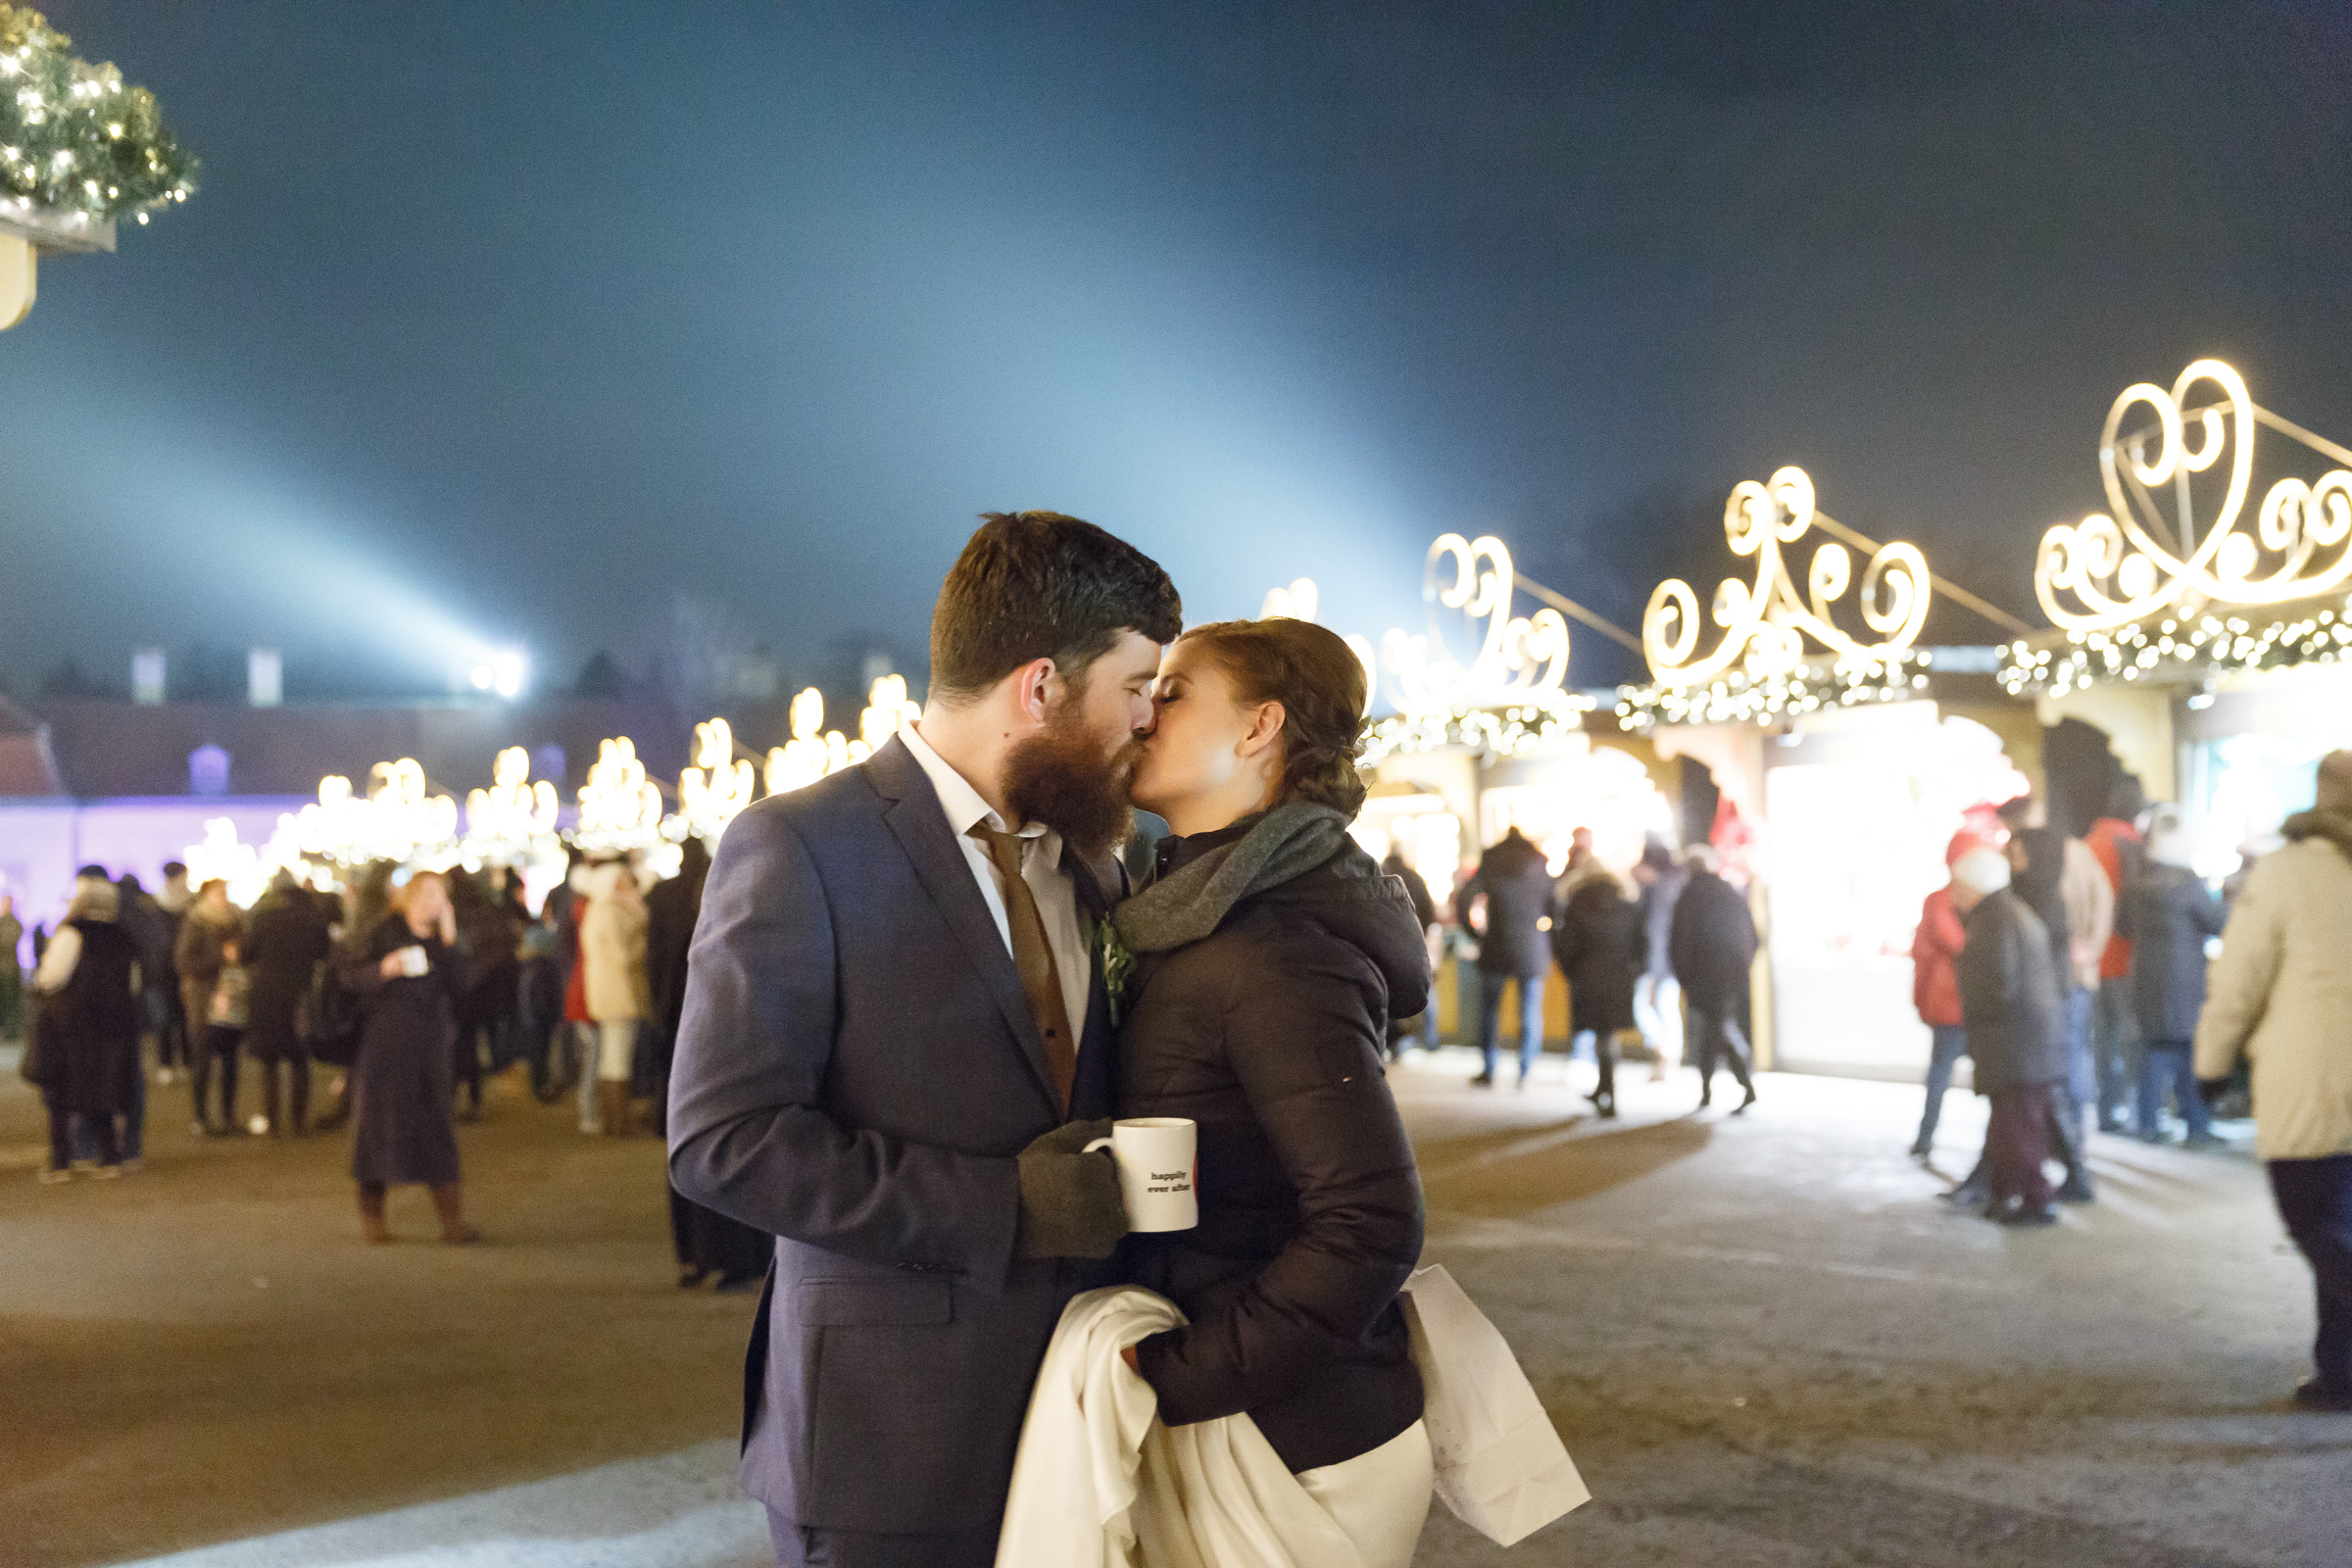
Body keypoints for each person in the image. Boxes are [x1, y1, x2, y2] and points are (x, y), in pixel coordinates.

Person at [667, 510, 1179, 1567]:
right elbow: (724, 1140)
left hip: (1084, 1423)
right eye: (1137, 690)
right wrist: (1005, 1206)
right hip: (886, 1445)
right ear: (1040, 688)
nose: (1150, 723)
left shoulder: (1091, 861)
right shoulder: (800, 845)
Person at [1111, 617, 1432, 1568]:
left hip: (1296, 1438)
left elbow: (1371, 1220)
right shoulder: (1191, 911)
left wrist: (1171, 1377)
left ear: (1260, 729)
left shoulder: (1273, 946)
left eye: (1173, 693)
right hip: (1259, 1411)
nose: (1144, 712)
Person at [2196, 750, 2352, 1411]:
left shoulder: (2287, 873)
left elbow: (2240, 978)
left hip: (2313, 1075)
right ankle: (2340, 1370)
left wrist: (2211, 1061)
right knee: (2340, 1228)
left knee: (2315, 1220)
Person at [651, 837, 768, 1290]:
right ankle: (702, 1256)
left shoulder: (753, 938)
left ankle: (736, 1261)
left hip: (731, 1072)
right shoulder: (701, 937)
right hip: (694, 1066)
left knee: (729, 1163)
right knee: (695, 1165)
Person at [340, 869, 477, 1245]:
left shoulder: (441, 943)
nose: (435, 900)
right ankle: (373, 1220)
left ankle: (452, 1222)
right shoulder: (384, 933)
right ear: (410, 896)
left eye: (441, 894)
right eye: (428, 892)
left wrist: (450, 939)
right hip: (385, 1048)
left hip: (429, 1048)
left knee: (436, 1130)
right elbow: (350, 976)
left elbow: (462, 988)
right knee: (378, 1133)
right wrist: (384, 969)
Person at [1950, 847, 2068, 1226]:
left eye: (1957, 884)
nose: (1953, 892)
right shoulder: (2009, 912)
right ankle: (2006, 1195)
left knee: (2019, 1128)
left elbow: (1997, 983)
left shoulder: (1993, 920)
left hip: (2014, 1043)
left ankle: (2035, 1200)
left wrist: (1978, 1025)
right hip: (2025, 1042)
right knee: (2014, 1125)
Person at [1998, 798, 2094, 1202]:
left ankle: (2074, 1172)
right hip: (2045, 1007)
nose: (2013, 859)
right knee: (2035, 1097)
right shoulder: (2026, 897)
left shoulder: (2044, 901)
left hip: (2050, 1009)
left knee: (2051, 1093)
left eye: (2020, 853)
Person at [2116, 808, 2226, 1148]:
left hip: (2146, 976)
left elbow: (2120, 927)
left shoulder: (2135, 885)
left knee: (2152, 1052)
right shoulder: (2188, 882)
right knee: (2190, 1053)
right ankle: (2196, 1126)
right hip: (2186, 978)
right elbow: (2216, 922)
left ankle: (2147, 1123)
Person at [26, 874, 143, 1181]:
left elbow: (51, 977)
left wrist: (39, 984)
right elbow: (133, 983)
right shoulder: (122, 936)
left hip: (73, 1025)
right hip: (114, 1025)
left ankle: (61, 1162)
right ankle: (110, 1158)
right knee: (104, 1090)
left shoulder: (71, 933)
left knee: (62, 1095)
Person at [1460, 825, 1554, 1088]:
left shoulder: (1491, 859)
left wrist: (1476, 934)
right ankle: (1525, 1070)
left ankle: (1489, 1068)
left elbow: (1465, 897)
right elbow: (1555, 905)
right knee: (1530, 1012)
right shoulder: (1539, 863)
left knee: (1490, 1010)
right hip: (1531, 947)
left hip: (1496, 944)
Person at [1551, 865, 1646, 1118]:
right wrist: (1633, 972)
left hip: (1588, 977)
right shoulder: (1628, 909)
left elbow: (1564, 946)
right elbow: (1642, 946)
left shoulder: (1576, 908)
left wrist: (1573, 972)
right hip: (1619, 978)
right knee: (1607, 1034)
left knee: (1601, 1034)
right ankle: (1605, 1089)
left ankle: (1608, 1095)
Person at [243, 871, 333, 1137]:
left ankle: (272, 1121)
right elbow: (324, 952)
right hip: (299, 996)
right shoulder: (312, 918)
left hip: (265, 996)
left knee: (269, 1062)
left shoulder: (263, 917)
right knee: (299, 1060)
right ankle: (298, 1121)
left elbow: (246, 953)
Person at [1670, 845, 1758, 1113]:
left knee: (1713, 1030)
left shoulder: (1690, 896)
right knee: (1717, 1028)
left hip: (1703, 976)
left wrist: (1685, 977)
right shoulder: (1729, 893)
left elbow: (1680, 942)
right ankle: (1725, 1088)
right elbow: (1753, 937)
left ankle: (1724, 1088)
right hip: (1731, 975)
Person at [1910, 830, 1981, 1159]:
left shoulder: (1938, 903)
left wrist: (1922, 1001)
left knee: (1939, 1077)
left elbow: (1923, 956)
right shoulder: (1985, 907)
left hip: (1953, 1009)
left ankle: (1925, 1139)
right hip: (1964, 1008)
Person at [2082, 780, 2148, 1133]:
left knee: (2102, 1040)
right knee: (2129, 1038)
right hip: (2126, 958)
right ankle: (2139, 1113)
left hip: (2093, 960)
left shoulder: (2088, 845)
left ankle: (2106, 1112)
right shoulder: (2133, 847)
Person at [579, 860, 652, 1138]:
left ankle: (615, 1120)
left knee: (612, 1057)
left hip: (608, 992)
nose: (629, 884)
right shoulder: (610, 911)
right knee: (618, 1057)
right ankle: (620, 1122)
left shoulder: (599, 908)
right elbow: (622, 956)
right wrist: (646, 940)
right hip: (618, 993)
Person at [175, 879, 246, 1137]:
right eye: (218, 892)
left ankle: (229, 1117)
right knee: (202, 1062)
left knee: (231, 1062)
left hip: (232, 999)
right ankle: (201, 1118)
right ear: (205, 895)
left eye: (225, 891)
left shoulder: (235, 920)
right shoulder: (195, 921)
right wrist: (220, 957)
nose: (223, 896)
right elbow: (184, 960)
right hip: (203, 1001)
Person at [1630, 840, 1686, 1080]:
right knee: (1661, 1005)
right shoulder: (1674, 882)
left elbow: (1653, 929)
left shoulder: (1658, 887)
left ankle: (1666, 1052)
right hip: (1667, 957)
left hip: (1657, 958)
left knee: (1648, 1004)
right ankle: (1667, 1053)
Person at [1378, 847, 1438, 1058]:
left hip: (1383, 944)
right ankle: (1429, 1040)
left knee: (1384, 992)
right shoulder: (1414, 877)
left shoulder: (1377, 875)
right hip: (1414, 941)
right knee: (1425, 988)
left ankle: (1391, 1041)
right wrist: (1421, 934)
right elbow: (1430, 910)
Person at [153, 861, 193, 1081]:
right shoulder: (156, 903)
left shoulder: (192, 903)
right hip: (162, 972)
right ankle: (166, 1064)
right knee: (164, 1020)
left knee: (186, 1019)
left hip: (187, 969)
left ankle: (187, 1062)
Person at [0, 892, 24, 1042]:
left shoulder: (12, 923)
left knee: (9, 1003)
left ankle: (10, 1032)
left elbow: (8, 943)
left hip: (7, 969)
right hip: (5, 969)